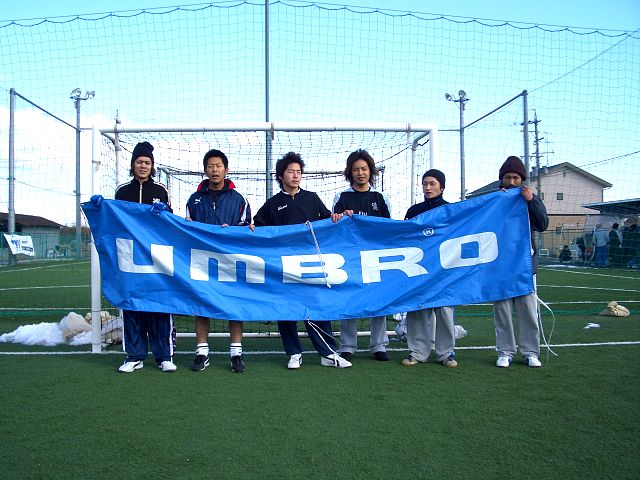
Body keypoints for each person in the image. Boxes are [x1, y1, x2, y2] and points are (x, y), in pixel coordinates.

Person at [252, 152, 352, 369]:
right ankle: (294, 353)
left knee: (316, 307)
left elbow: (328, 221)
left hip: (311, 265)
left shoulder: (312, 198)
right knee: (286, 310)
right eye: (291, 172)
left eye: (298, 172)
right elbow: (257, 227)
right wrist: (251, 227)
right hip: (283, 267)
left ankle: (328, 353)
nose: (296, 176)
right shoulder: (272, 204)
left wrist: (336, 217)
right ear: (281, 175)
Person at [186, 149, 252, 373]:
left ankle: (236, 354)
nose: (214, 170)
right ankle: (202, 353)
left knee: (233, 305)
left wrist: (231, 231)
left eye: (218, 166)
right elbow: (187, 229)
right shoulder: (194, 199)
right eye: (210, 166)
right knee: (202, 304)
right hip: (201, 261)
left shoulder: (239, 199)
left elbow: (247, 229)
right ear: (205, 170)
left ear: (226, 169)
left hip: (230, 261)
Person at [114, 141, 177, 373]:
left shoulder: (161, 190)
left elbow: (171, 222)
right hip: (129, 256)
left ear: (152, 166)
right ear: (133, 165)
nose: (143, 166)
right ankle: (134, 356)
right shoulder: (122, 191)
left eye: (147, 162)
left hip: (157, 256)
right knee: (132, 304)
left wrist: (165, 212)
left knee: (159, 303)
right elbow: (115, 221)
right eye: (139, 162)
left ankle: (164, 356)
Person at [332, 149, 390, 362]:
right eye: (356, 169)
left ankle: (379, 345)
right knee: (350, 298)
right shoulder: (341, 197)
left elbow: (389, 227)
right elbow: (334, 224)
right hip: (350, 257)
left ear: (370, 171)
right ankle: (348, 345)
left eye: (364, 169)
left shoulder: (380, 197)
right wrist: (341, 217)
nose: (360, 173)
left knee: (379, 300)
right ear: (350, 172)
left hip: (375, 256)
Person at [493, 155, 549, 368]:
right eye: (507, 177)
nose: (511, 181)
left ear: (522, 179)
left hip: (525, 266)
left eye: (515, 178)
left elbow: (542, 224)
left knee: (528, 311)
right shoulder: (494, 200)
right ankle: (505, 351)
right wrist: (497, 202)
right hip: (499, 265)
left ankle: (530, 352)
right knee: (502, 311)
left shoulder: (530, 199)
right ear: (502, 179)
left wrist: (531, 200)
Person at [401, 169, 458, 368]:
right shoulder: (413, 211)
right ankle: (417, 352)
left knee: (444, 311)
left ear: (442, 187)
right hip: (419, 270)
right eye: (425, 183)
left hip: (444, 271)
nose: (427, 187)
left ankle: (446, 353)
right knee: (417, 310)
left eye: (432, 183)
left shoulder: (452, 210)